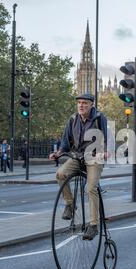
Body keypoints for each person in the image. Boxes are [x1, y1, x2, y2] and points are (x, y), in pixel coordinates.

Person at [49, 93, 108, 241]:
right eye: (79, 103)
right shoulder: (73, 119)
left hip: (94, 157)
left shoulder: (99, 118)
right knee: (60, 174)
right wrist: (58, 154)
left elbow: (105, 137)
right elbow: (65, 141)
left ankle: (94, 225)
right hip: (77, 156)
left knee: (90, 188)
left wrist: (105, 151)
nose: (81, 105)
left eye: (85, 103)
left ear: (91, 105)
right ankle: (70, 204)